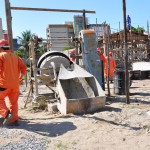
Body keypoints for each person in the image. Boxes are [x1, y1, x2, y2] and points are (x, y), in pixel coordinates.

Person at [0, 39, 27, 126]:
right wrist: (20, 77)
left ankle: (7, 114)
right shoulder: (16, 56)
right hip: (15, 84)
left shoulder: (1, 56)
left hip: (4, 84)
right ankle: (14, 120)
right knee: (14, 102)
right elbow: (24, 68)